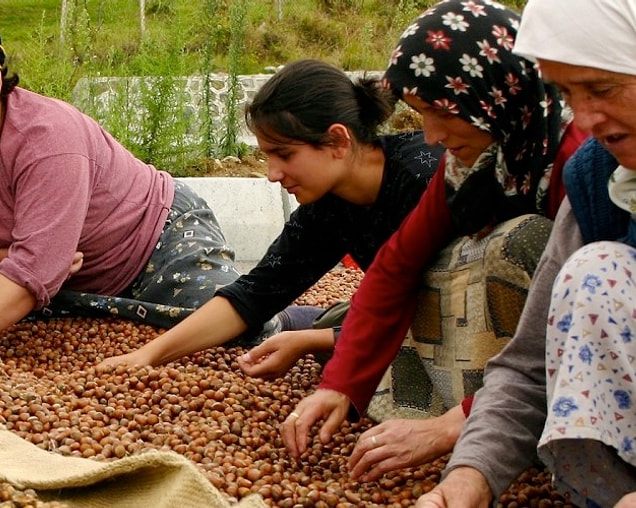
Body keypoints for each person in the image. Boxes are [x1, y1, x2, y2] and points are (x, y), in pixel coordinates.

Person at [281, 0, 588, 482]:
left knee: (525, 240)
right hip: (516, 372)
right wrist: (339, 382)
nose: (431, 135)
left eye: (443, 112)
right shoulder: (472, 164)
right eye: (421, 114)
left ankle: (519, 428)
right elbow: (396, 265)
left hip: (572, 363)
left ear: (494, 93)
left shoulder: (581, 162)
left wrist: (456, 426)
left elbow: (579, 329)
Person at [0, 10, 240, 356]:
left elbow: (35, 269)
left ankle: (288, 321)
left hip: (155, 244)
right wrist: (6, 259)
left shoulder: (48, 139)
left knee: (233, 326)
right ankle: (113, 315)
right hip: (68, 286)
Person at [417, 1, 635, 506]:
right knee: (594, 273)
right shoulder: (600, 178)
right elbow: (529, 361)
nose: (585, 119)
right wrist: (470, 476)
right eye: (566, 94)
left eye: (602, 89)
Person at [96, 59, 443, 370]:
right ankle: (319, 322)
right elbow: (254, 295)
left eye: (284, 155)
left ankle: (316, 325)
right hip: (398, 312)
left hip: (453, 322)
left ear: (338, 140)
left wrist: (310, 342)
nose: (272, 174)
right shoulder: (328, 205)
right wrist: (147, 356)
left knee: (354, 352)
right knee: (340, 336)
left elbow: (441, 314)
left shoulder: (425, 178)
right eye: (267, 156)